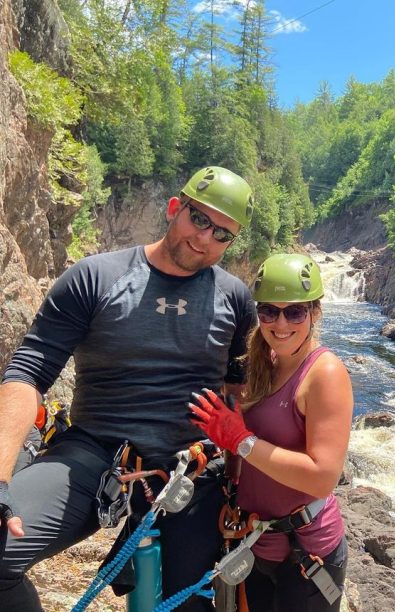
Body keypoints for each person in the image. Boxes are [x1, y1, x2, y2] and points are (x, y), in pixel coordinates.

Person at [0, 166, 256, 611]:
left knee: (187, 604)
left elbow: (243, 393)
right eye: (199, 219)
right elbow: (27, 373)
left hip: (192, 468)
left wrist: (245, 480)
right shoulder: (95, 277)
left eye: (222, 233)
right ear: (174, 207)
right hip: (96, 456)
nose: (204, 238)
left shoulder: (234, 298)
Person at [189, 253, 354, 611]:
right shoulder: (268, 363)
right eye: (269, 312)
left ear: (314, 313)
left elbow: (322, 478)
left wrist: (241, 440)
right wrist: (229, 452)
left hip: (306, 552)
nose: (280, 324)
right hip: (257, 541)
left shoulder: (325, 374)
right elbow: (253, 445)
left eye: (294, 312)